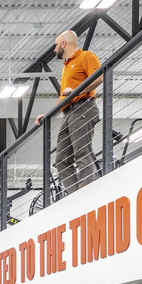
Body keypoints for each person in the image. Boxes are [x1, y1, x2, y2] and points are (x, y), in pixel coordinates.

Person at [36, 30, 103, 195]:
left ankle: (85, 195)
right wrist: (48, 115)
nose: (54, 49)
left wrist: (76, 92)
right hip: (69, 113)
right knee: (61, 160)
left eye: (56, 45)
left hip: (83, 108)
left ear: (64, 44)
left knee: (82, 154)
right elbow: (63, 98)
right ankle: (76, 196)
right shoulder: (67, 66)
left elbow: (99, 78)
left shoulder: (86, 57)